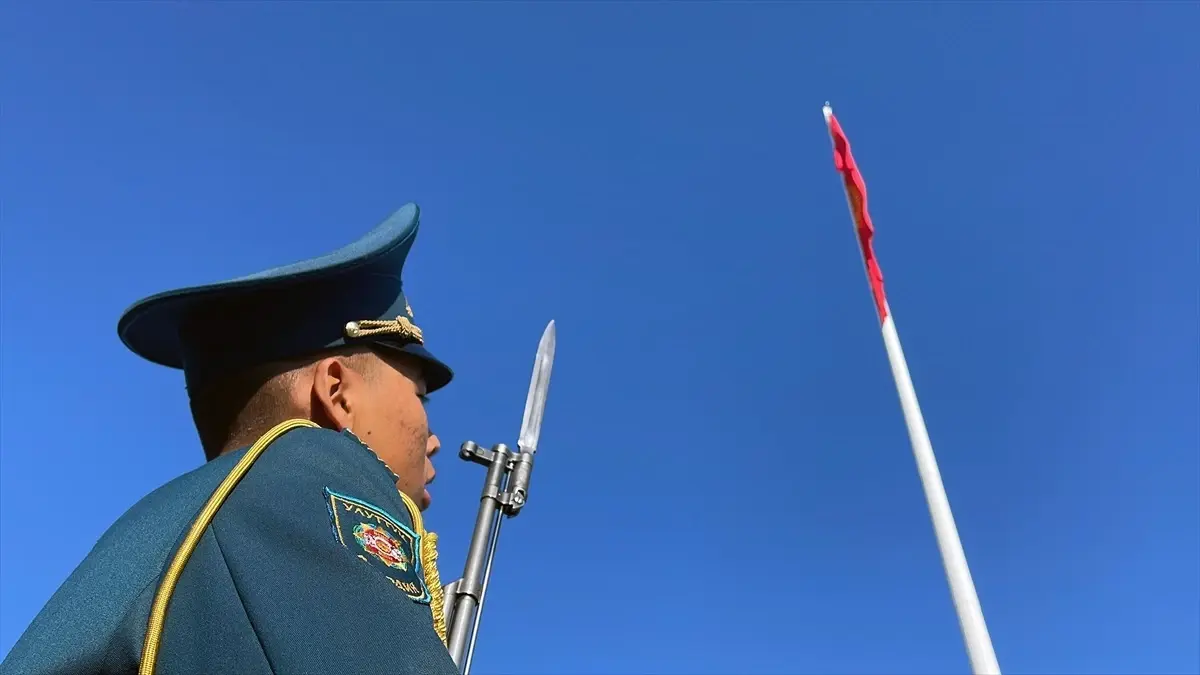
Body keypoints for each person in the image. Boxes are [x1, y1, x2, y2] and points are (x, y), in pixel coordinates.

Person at [1, 204, 462, 675]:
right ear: (336, 393)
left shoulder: (162, 533)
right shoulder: (312, 474)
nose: (434, 439)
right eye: (420, 397)